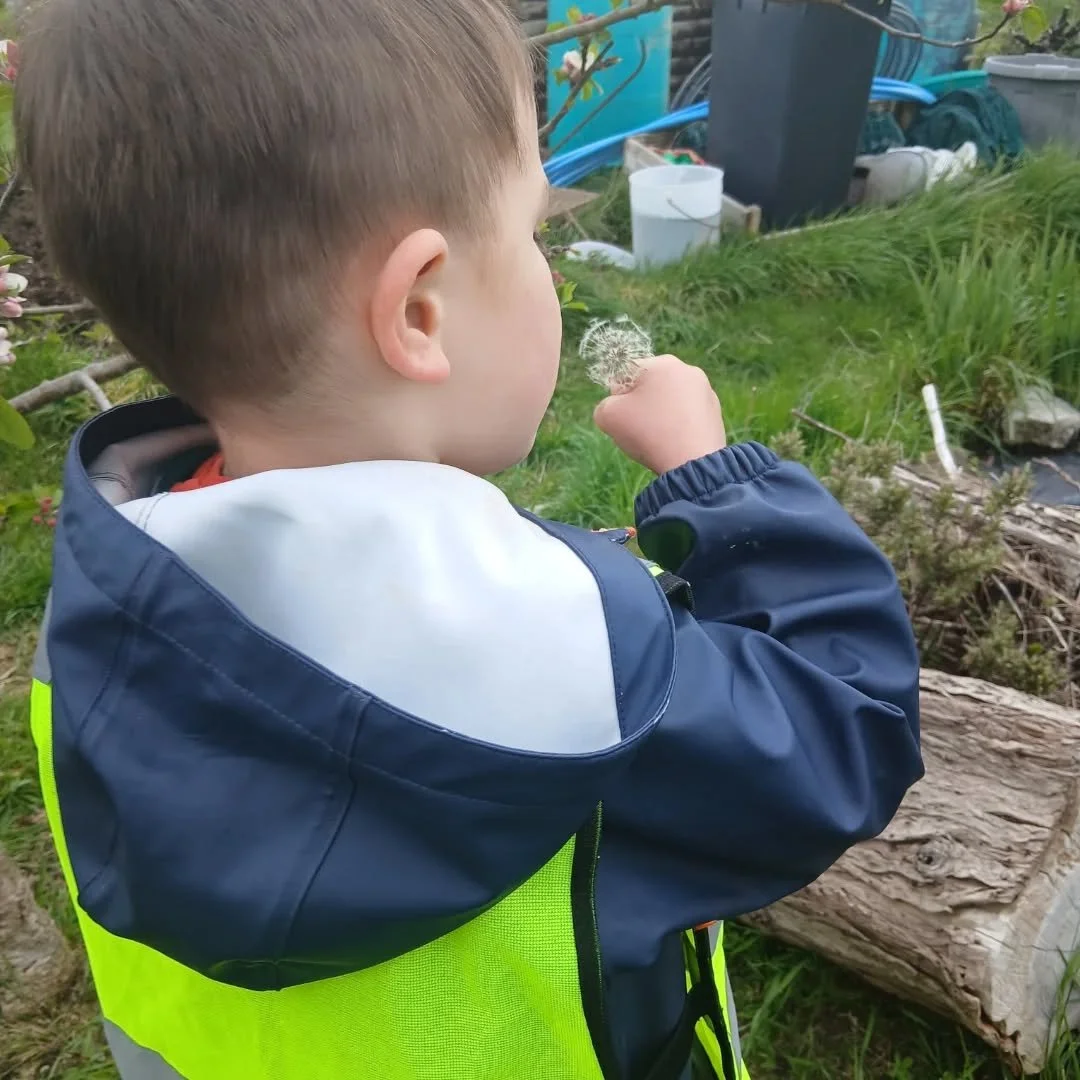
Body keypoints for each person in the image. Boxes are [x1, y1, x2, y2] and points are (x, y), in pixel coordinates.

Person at [16, 0, 923, 1077]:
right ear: (420, 312)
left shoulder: (96, 620)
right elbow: (848, 726)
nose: (547, 263)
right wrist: (717, 482)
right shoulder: (580, 671)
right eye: (535, 230)